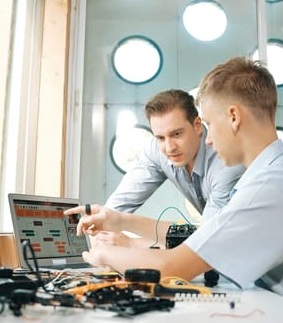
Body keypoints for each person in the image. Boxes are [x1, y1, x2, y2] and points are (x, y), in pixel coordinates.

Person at [66, 56, 283, 319]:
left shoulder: (266, 189)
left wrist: (100, 254)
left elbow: (173, 266)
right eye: (161, 137)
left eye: (210, 124)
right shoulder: (273, 175)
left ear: (234, 117)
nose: (209, 140)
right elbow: (208, 237)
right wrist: (119, 220)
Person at [96, 89, 244, 248]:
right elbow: (116, 206)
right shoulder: (156, 150)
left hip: (250, 254)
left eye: (177, 134)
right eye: (160, 137)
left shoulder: (225, 164)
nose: (169, 147)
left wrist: (132, 242)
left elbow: (208, 239)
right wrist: (100, 226)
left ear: (198, 126)